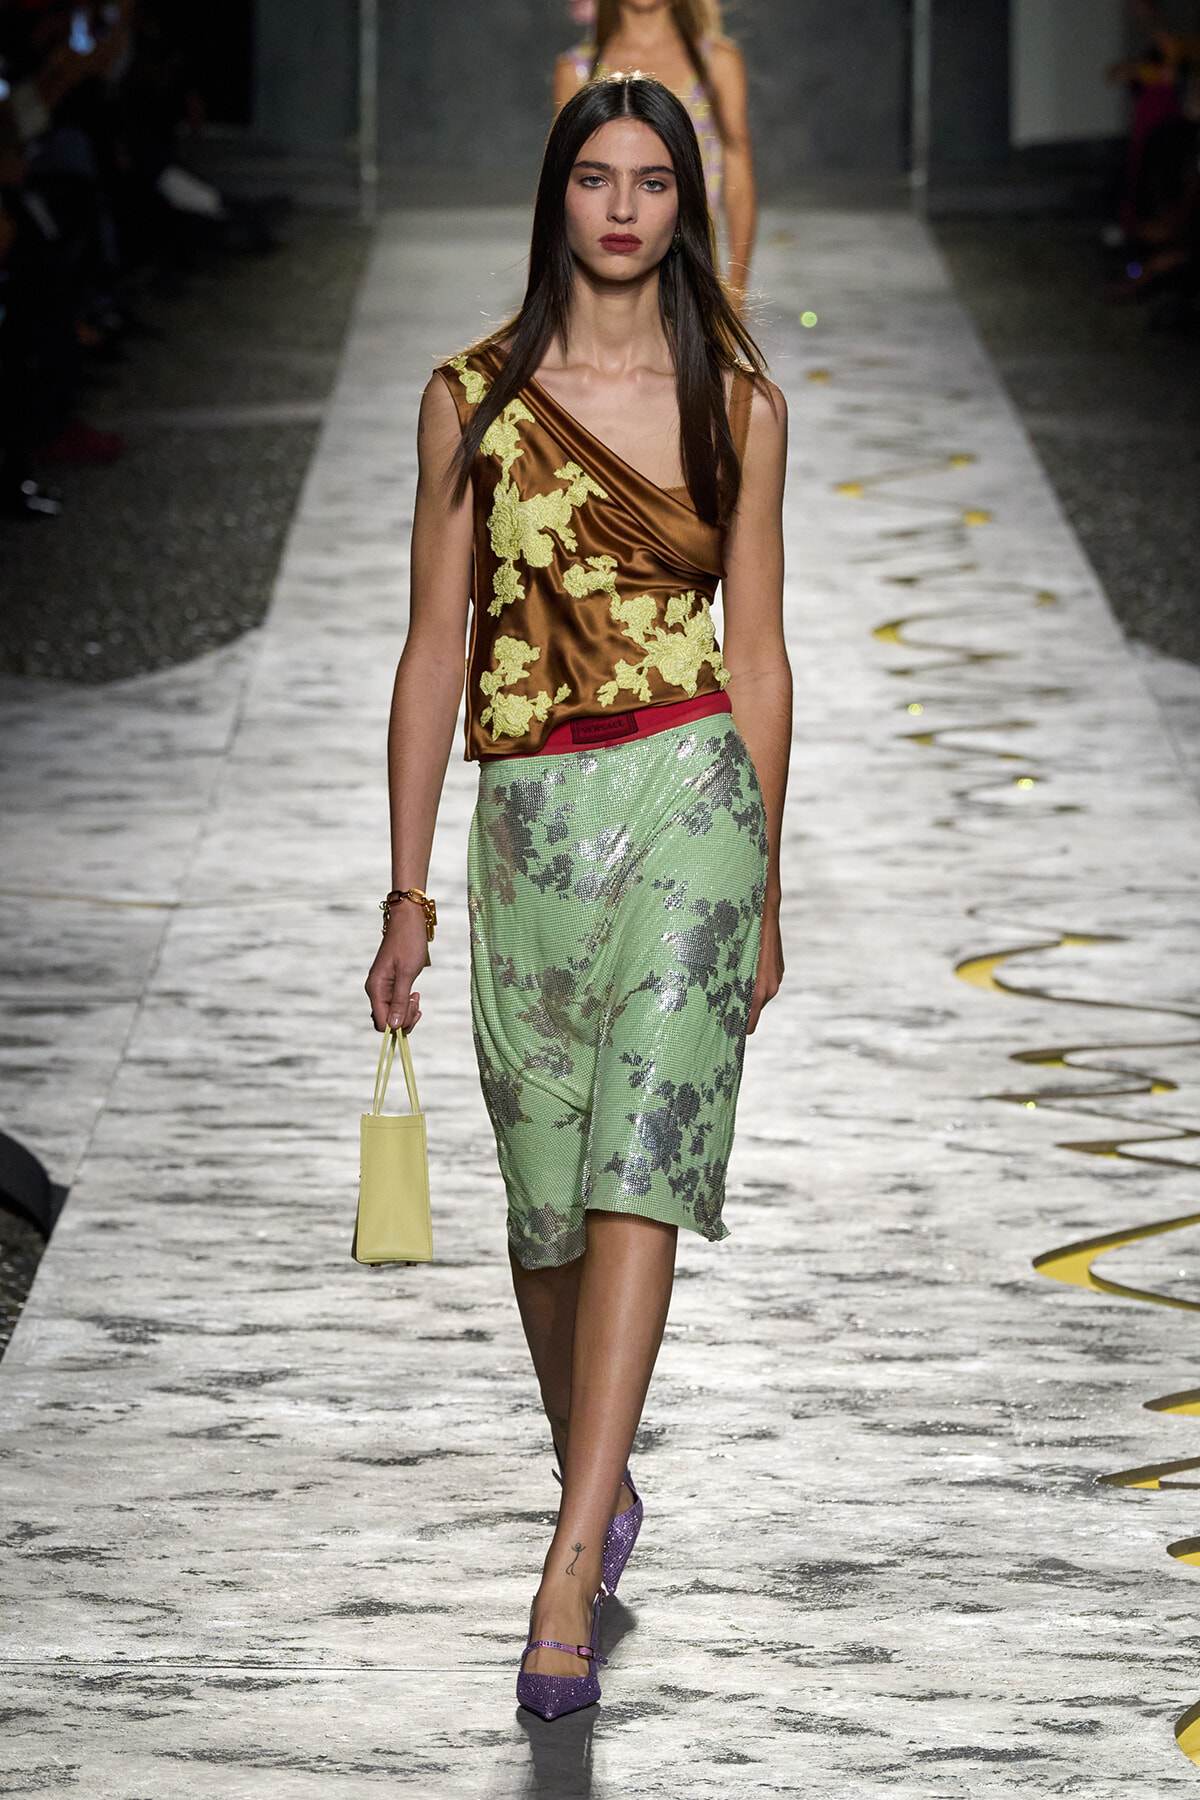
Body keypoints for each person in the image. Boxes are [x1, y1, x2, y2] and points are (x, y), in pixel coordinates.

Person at [365, 73, 789, 1721]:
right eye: (596, 179)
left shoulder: (734, 405)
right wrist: (403, 888)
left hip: (689, 795)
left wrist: (764, 881)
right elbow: (429, 649)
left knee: (636, 1174)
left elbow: (758, 656)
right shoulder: (470, 396)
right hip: (527, 826)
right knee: (549, 1210)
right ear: (558, 198)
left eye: (653, 184)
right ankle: (597, 1487)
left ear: (684, 208)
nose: (623, 208)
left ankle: (562, 1564)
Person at [554, 1, 756, 303]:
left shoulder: (717, 63)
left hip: (691, 266)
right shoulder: (577, 73)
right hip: (599, 269)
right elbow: (556, 185)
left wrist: (736, 290)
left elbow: (738, 175)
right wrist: (550, 289)